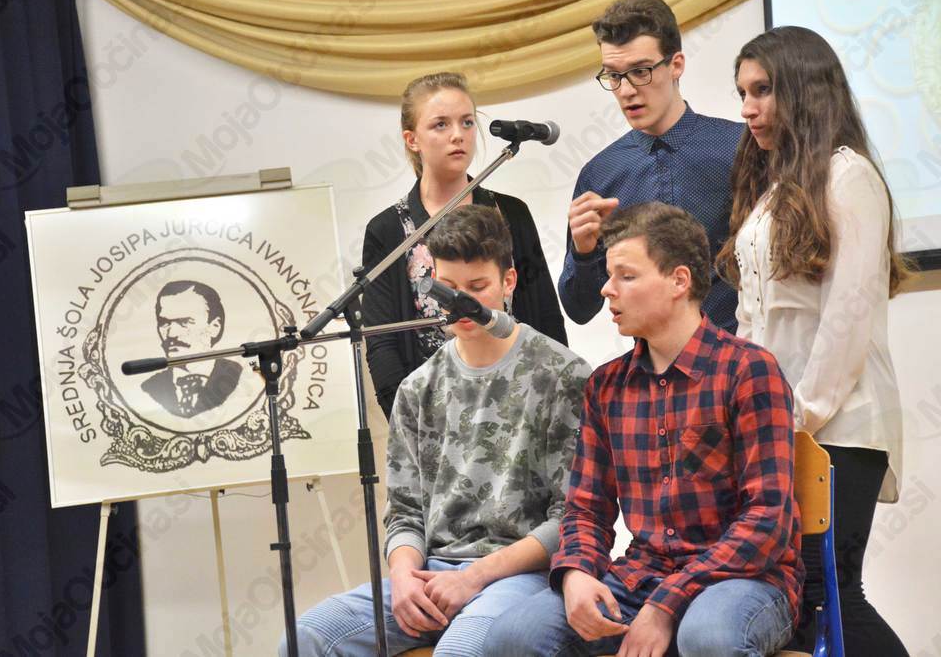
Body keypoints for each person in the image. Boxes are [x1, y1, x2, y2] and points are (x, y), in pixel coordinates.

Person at [487, 202, 802, 657]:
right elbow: (587, 509)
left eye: (626, 276)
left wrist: (667, 605)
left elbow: (767, 519)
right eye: (608, 276)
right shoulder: (606, 386)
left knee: (708, 637)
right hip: (643, 576)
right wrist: (576, 574)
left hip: (744, 579)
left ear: (679, 281)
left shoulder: (748, 370)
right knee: (513, 637)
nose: (607, 289)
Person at [283, 205, 592, 656]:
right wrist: (404, 575)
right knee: (305, 640)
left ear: (509, 281)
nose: (461, 303)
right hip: (433, 571)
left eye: (477, 288)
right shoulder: (418, 388)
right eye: (447, 288)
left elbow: (572, 519)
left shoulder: (563, 375)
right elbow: (405, 511)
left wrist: (475, 577)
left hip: (521, 575)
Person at [718, 25, 909, 656]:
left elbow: (847, 318)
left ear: (803, 90)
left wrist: (795, 418)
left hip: (840, 423)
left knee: (833, 594)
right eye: (742, 93)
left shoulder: (849, 176)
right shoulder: (773, 187)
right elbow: (753, 318)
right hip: (781, 425)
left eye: (762, 90)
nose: (747, 109)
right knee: (800, 601)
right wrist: (747, 412)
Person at [362, 71, 567, 419]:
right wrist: (410, 424)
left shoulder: (511, 213)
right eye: (440, 124)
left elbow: (546, 317)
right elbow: (383, 345)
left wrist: (554, 404)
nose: (458, 135)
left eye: (467, 122)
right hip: (435, 415)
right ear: (412, 139)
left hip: (521, 407)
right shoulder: (388, 230)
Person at [559, 0, 742, 332]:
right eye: (613, 76)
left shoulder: (740, 148)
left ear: (676, 65)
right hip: (648, 362)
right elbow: (579, 309)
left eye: (640, 71)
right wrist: (583, 253)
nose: (626, 90)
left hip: (739, 355)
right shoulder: (600, 174)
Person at [141, 280, 242, 417]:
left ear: (214, 327)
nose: (171, 334)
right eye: (164, 323)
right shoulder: (150, 388)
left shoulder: (239, 376)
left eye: (184, 322)